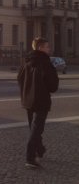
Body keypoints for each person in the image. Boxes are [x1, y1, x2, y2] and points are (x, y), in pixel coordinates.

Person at [17, 37, 59, 169]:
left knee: (34, 128)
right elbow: (53, 86)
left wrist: (26, 92)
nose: (49, 49)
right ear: (40, 48)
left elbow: (19, 79)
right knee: (37, 129)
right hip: (41, 100)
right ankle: (30, 158)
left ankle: (39, 149)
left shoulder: (26, 61)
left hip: (28, 100)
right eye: (47, 47)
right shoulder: (45, 62)